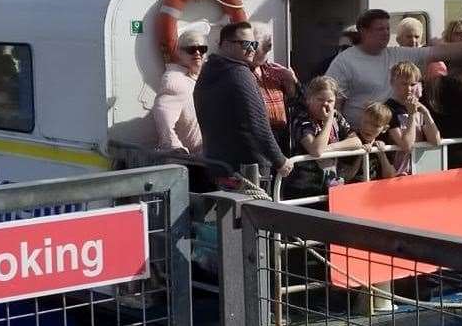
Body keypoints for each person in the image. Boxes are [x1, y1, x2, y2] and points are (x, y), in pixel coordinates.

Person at [326, 8, 462, 128]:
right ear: (363, 31)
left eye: (388, 28)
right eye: (380, 29)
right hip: (362, 138)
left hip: (394, 134)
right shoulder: (345, 62)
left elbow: (439, 52)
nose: (386, 33)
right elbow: (334, 104)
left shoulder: (397, 54)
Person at [194, 22, 293, 185]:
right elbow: (258, 123)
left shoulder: (208, 71)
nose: (252, 49)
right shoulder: (239, 72)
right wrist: (280, 160)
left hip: (218, 165)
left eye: (254, 44)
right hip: (248, 170)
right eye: (246, 44)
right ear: (225, 44)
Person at [286, 76, 362, 196]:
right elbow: (315, 150)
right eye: (320, 100)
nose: (325, 105)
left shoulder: (336, 116)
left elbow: (356, 142)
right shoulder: (302, 118)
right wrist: (327, 122)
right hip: (304, 190)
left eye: (330, 101)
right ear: (309, 99)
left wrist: (329, 147)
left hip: (330, 188)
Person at [150, 26, 206, 156]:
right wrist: (178, 151)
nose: (197, 53)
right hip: (196, 160)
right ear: (180, 53)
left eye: (202, 49)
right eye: (191, 49)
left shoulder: (203, 77)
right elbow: (164, 120)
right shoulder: (174, 79)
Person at [383, 61, 441, 173]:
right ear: (392, 83)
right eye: (404, 84)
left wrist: (426, 112)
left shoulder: (419, 108)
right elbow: (406, 145)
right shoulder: (388, 109)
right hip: (397, 172)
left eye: (413, 84)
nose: (409, 89)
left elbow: (436, 141)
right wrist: (411, 114)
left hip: (420, 168)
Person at [353, 102, 397, 179]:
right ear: (361, 119)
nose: (368, 128)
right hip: (355, 188)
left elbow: (390, 176)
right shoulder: (352, 139)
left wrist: (381, 153)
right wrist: (361, 153)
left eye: (376, 125)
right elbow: (346, 176)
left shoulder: (384, 143)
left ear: (385, 129)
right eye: (366, 122)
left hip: (376, 188)